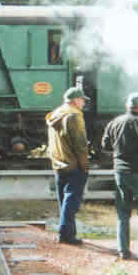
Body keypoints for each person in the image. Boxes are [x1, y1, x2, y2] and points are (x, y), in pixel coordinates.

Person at [101, 92, 138, 264]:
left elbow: (105, 145)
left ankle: (123, 251)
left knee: (123, 213)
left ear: (128, 106)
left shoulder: (115, 122)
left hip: (121, 173)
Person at [46, 86, 90, 245]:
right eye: (82, 100)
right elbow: (80, 144)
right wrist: (85, 166)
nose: (84, 103)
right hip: (73, 165)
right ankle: (66, 235)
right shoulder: (74, 116)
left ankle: (68, 233)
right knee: (71, 202)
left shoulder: (56, 113)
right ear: (75, 101)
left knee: (64, 202)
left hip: (58, 164)